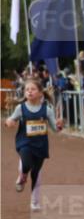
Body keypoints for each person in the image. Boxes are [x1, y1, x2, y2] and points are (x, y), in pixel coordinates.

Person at [5, 78, 63, 212]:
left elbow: (55, 129)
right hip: (24, 142)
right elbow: (11, 119)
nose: (29, 92)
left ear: (40, 93)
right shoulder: (21, 108)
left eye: (33, 89)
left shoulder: (47, 110)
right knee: (26, 163)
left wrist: (60, 126)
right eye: (27, 90)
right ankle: (22, 175)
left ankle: (35, 202)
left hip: (40, 145)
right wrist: (8, 122)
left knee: (36, 173)